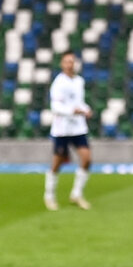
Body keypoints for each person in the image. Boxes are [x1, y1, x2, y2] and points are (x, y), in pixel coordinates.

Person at [44, 51, 93, 211]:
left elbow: (79, 102)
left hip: (78, 128)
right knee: (57, 163)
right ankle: (49, 196)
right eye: (66, 61)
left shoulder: (79, 81)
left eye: (72, 61)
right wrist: (74, 111)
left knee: (86, 159)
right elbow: (55, 107)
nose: (69, 64)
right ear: (62, 64)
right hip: (62, 129)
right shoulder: (58, 83)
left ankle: (76, 194)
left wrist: (86, 109)